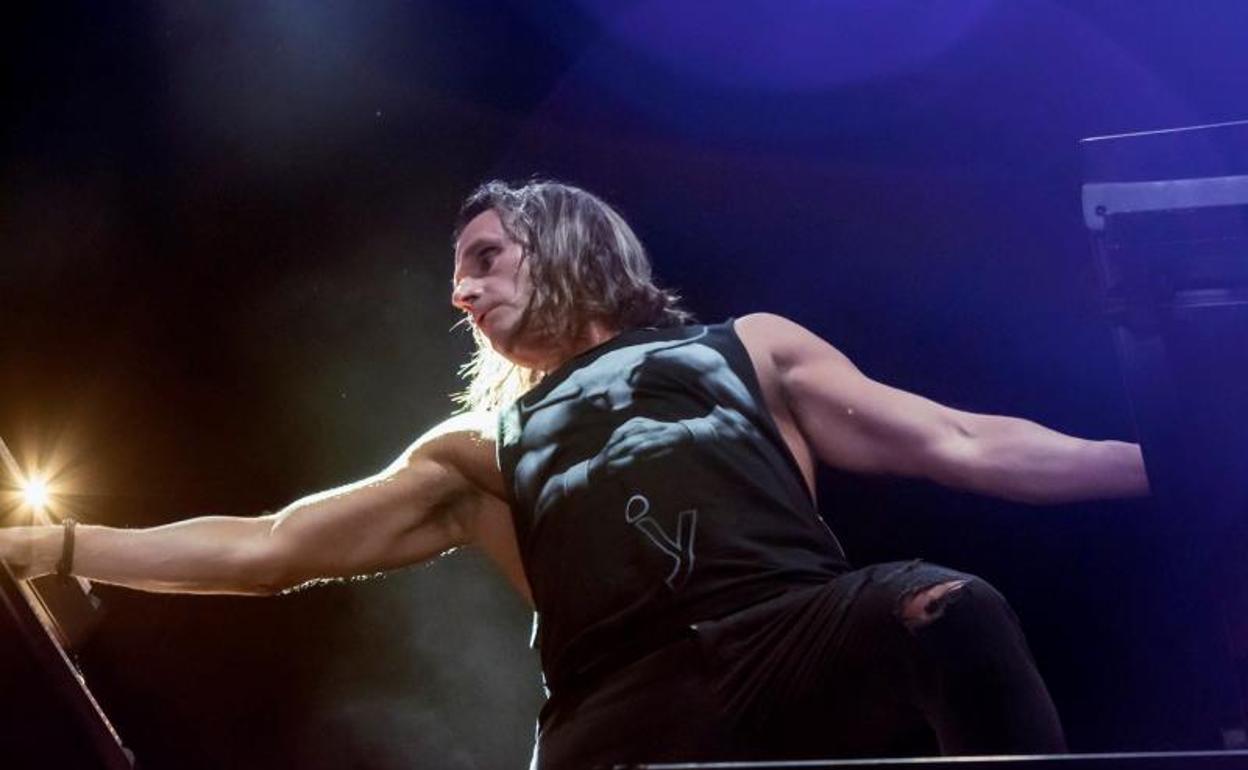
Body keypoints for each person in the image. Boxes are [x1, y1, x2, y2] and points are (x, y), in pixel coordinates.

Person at [0, 180, 1149, 767]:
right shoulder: (477, 449)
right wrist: (57, 543)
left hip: (788, 628)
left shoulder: (751, 349)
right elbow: (269, 545)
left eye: (484, 258)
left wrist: (1163, 465)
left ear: (563, 244)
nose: (462, 291)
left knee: (949, 605)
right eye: (457, 274)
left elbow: (958, 438)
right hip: (623, 695)